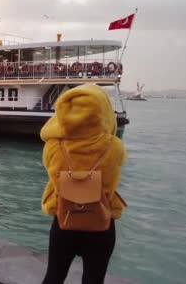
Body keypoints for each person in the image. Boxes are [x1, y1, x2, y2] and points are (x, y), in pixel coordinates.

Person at [40, 84, 126, 284]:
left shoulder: (53, 146)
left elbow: (50, 171)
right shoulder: (114, 147)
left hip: (64, 218)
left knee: (53, 276)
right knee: (94, 280)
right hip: (101, 219)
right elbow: (117, 169)